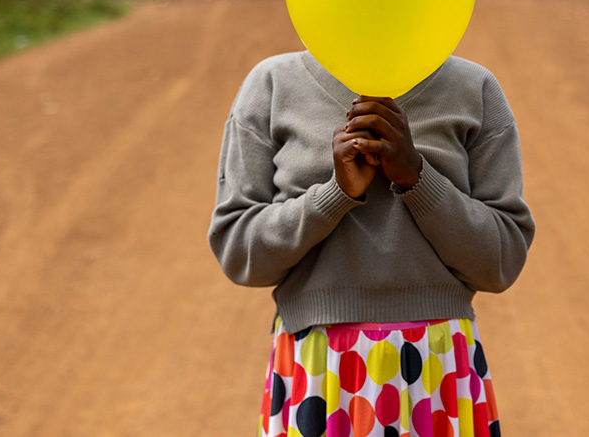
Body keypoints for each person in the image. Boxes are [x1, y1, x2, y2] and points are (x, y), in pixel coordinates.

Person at [208, 50, 535, 437]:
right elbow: (239, 253)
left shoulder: (473, 88)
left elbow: (501, 262)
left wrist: (417, 177)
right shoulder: (273, 85)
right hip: (319, 367)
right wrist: (333, 196)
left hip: (437, 366)